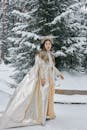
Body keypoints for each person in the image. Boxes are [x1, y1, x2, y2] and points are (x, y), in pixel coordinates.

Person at [0, 36, 64, 129]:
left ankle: (47, 113)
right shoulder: (40, 54)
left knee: (48, 96)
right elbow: (38, 66)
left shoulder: (51, 55)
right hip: (43, 78)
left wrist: (59, 74)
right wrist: (42, 78)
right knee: (42, 96)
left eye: (49, 44)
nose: (48, 45)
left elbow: (52, 67)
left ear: (51, 45)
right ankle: (40, 115)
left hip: (49, 78)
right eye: (46, 44)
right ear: (43, 45)